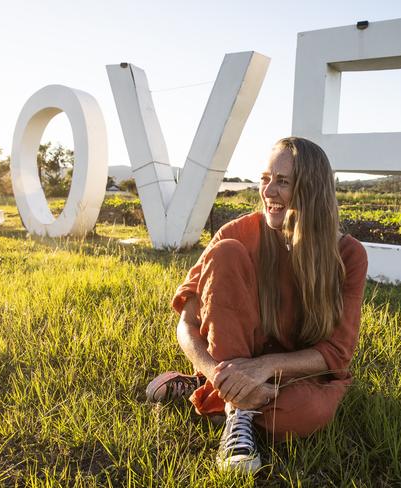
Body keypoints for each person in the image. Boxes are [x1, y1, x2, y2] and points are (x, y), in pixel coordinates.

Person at [145, 137, 368, 473]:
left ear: (312, 189)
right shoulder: (235, 234)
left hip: (293, 374)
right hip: (234, 356)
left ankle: (212, 393)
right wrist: (216, 373)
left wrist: (265, 368)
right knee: (226, 253)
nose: (268, 192)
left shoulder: (348, 255)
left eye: (282, 181)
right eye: (265, 179)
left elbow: (337, 353)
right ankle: (237, 410)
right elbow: (187, 324)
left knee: (308, 413)